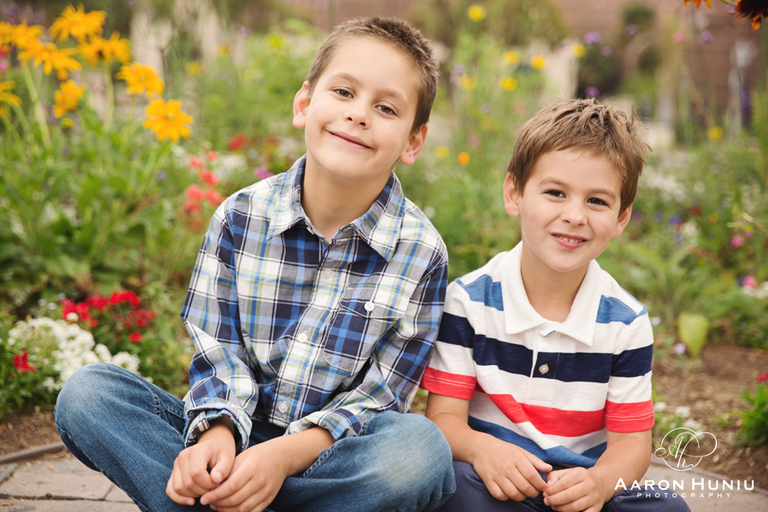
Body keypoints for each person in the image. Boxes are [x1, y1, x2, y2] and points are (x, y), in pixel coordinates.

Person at [55, 16, 455, 512]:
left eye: (386, 107)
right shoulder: (240, 216)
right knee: (88, 395)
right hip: (230, 435)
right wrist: (215, 436)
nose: (359, 115)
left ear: (414, 141)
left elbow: (379, 397)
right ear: (304, 103)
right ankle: (228, 495)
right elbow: (217, 346)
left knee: (420, 451)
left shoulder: (420, 252)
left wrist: (283, 458)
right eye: (344, 93)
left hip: (327, 456)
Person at [421, 98, 690, 512]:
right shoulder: (470, 301)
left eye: (597, 201)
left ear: (621, 218)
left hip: (579, 488)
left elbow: (632, 445)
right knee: (451, 486)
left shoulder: (625, 322)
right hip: (496, 482)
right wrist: (481, 450)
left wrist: (599, 484)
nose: (574, 215)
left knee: (665, 507)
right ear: (515, 194)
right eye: (555, 192)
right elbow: (443, 420)